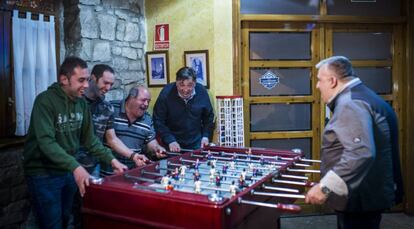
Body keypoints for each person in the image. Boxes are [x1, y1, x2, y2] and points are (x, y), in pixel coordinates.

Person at [23, 56, 127, 229]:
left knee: (66, 219)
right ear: (64, 79)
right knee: (51, 224)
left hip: (67, 170)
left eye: (86, 80)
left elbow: (90, 140)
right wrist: (77, 167)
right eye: (81, 80)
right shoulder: (45, 101)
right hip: (43, 172)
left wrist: (112, 160)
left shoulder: (80, 104)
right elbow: (46, 143)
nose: (86, 85)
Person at [305, 56, 403, 229]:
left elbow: (361, 152)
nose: (317, 86)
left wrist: (325, 187)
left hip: (360, 198)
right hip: (367, 193)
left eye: (320, 80)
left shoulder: (351, 103)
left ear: (333, 81)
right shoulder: (363, 95)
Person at [72, 64, 148, 228]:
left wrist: (133, 156)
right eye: (105, 83)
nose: (108, 88)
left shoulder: (106, 107)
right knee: (66, 215)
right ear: (92, 78)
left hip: (93, 167)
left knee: (90, 214)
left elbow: (112, 139)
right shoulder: (75, 102)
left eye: (111, 84)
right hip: (70, 167)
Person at [100, 85, 167, 176]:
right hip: (108, 174)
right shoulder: (111, 108)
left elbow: (150, 141)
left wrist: (157, 148)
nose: (146, 104)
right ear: (131, 98)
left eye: (148, 101)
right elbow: (110, 140)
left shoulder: (147, 118)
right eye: (143, 100)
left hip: (131, 174)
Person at [153, 67, 214, 152]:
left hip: (196, 143)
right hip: (172, 143)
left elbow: (209, 117)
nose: (185, 90)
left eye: (190, 85)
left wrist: (205, 136)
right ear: (176, 83)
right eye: (181, 85)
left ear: (195, 83)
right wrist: (170, 139)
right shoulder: (166, 93)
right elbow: (158, 120)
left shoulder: (202, 92)